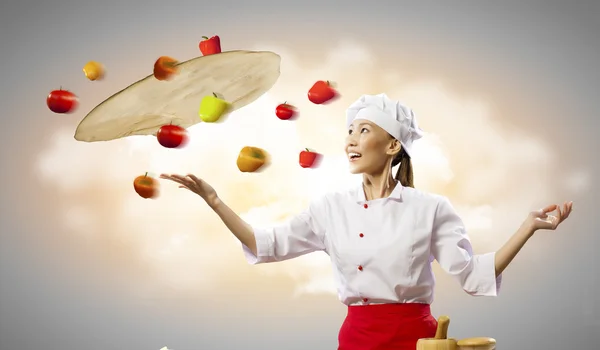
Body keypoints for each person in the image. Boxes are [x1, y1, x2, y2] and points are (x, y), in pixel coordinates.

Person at [160, 93, 573, 350]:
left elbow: (472, 274)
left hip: (417, 340)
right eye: (349, 132)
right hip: (356, 338)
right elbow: (267, 243)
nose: (351, 140)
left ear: (393, 145)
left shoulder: (430, 208)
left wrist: (527, 227)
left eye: (363, 131)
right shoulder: (330, 208)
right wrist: (215, 201)